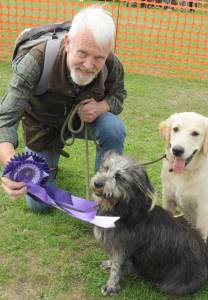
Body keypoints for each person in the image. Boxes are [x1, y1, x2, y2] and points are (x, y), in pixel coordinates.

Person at [0, 6, 127, 212]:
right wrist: (11, 164)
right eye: (82, 53)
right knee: (39, 205)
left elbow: (119, 96)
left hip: (85, 123)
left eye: (99, 58)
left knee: (113, 128)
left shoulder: (112, 64)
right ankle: (48, 165)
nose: (88, 65)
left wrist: (101, 106)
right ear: (67, 43)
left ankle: (107, 195)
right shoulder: (36, 60)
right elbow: (5, 118)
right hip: (43, 127)